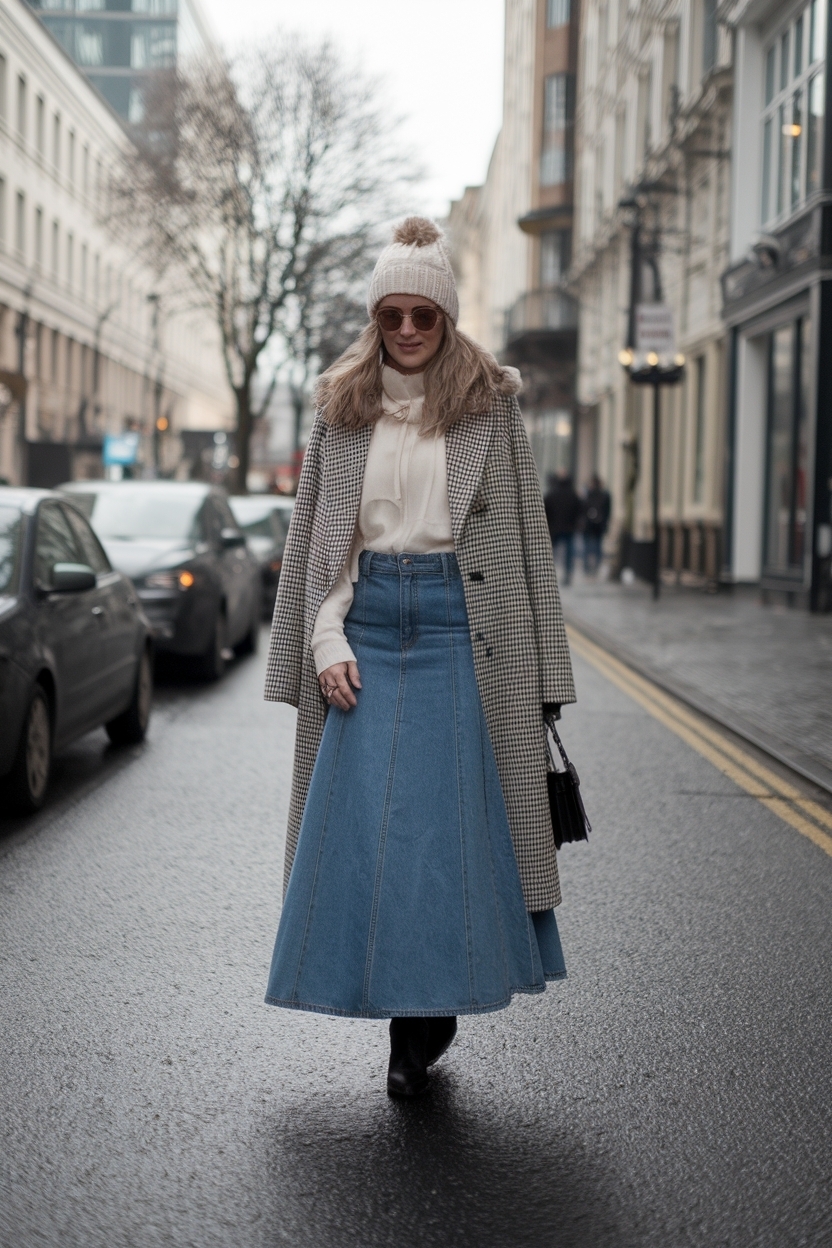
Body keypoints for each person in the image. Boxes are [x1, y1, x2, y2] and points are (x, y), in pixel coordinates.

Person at [263, 218, 576, 1097]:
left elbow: (526, 540)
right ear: (375, 317)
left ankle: (423, 1020)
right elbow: (321, 542)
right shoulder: (340, 409)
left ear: (446, 316)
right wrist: (323, 640)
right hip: (364, 631)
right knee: (367, 832)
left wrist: (544, 677)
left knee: (443, 838)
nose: (406, 331)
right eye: (392, 314)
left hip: (461, 630)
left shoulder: (491, 405)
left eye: (423, 316)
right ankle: (398, 1004)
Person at [544, 471, 581, 585]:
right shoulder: (573, 495)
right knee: (569, 553)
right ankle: (568, 574)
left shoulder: (552, 494)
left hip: (554, 528)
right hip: (569, 528)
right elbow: (579, 510)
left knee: (551, 553)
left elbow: (546, 510)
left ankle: (549, 574)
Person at [582, 474, 611, 574]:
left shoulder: (588, 494)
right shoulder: (605, 495)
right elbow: (607, 512)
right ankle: (596, 566)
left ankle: (587, 567)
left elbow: (583, 509)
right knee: (598, 546)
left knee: (588, 546)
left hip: (589, 525)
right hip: (599, 525)